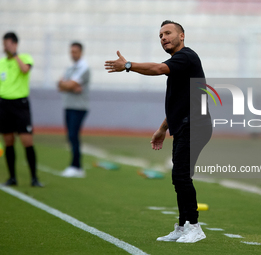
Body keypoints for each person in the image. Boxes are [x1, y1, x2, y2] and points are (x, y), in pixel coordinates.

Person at [105, 20, 212, 243]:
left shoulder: (186, 57)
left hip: (196, 125)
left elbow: (157, 69)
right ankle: (183, 227)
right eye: (161, 35)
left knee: (180, 175)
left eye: (168, 33)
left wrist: (128, 65)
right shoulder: (179, 64)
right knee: (180, 176)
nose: (163, 37)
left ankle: (194, 226)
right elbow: (180, 103)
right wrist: (162, 128)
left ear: (182, 36)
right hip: (185, 124)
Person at [0, 32, 43, 187]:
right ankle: (12, 177)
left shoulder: (25, 58)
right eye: (4, 44)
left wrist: (15, 55)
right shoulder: (1, 63)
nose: (5, 47)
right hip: (4, 105)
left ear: (15, 44)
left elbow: (25, 70)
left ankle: (34, 178)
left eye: (7, 44)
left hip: (20, 105)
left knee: (26, 140)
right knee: (8, 141)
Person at [58, 42, 90, 178]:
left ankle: (76, 166)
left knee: (73, 135)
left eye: (75, 51)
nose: (73, 54)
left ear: (81, 52)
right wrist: (69, 86)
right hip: (68, 105)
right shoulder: (70, 68)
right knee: (70, 136)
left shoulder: (84, 67)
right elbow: (60, 85)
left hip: (78, 107)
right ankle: (75, 166)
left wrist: (68, 85)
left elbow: (70, 84)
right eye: (71, 51)